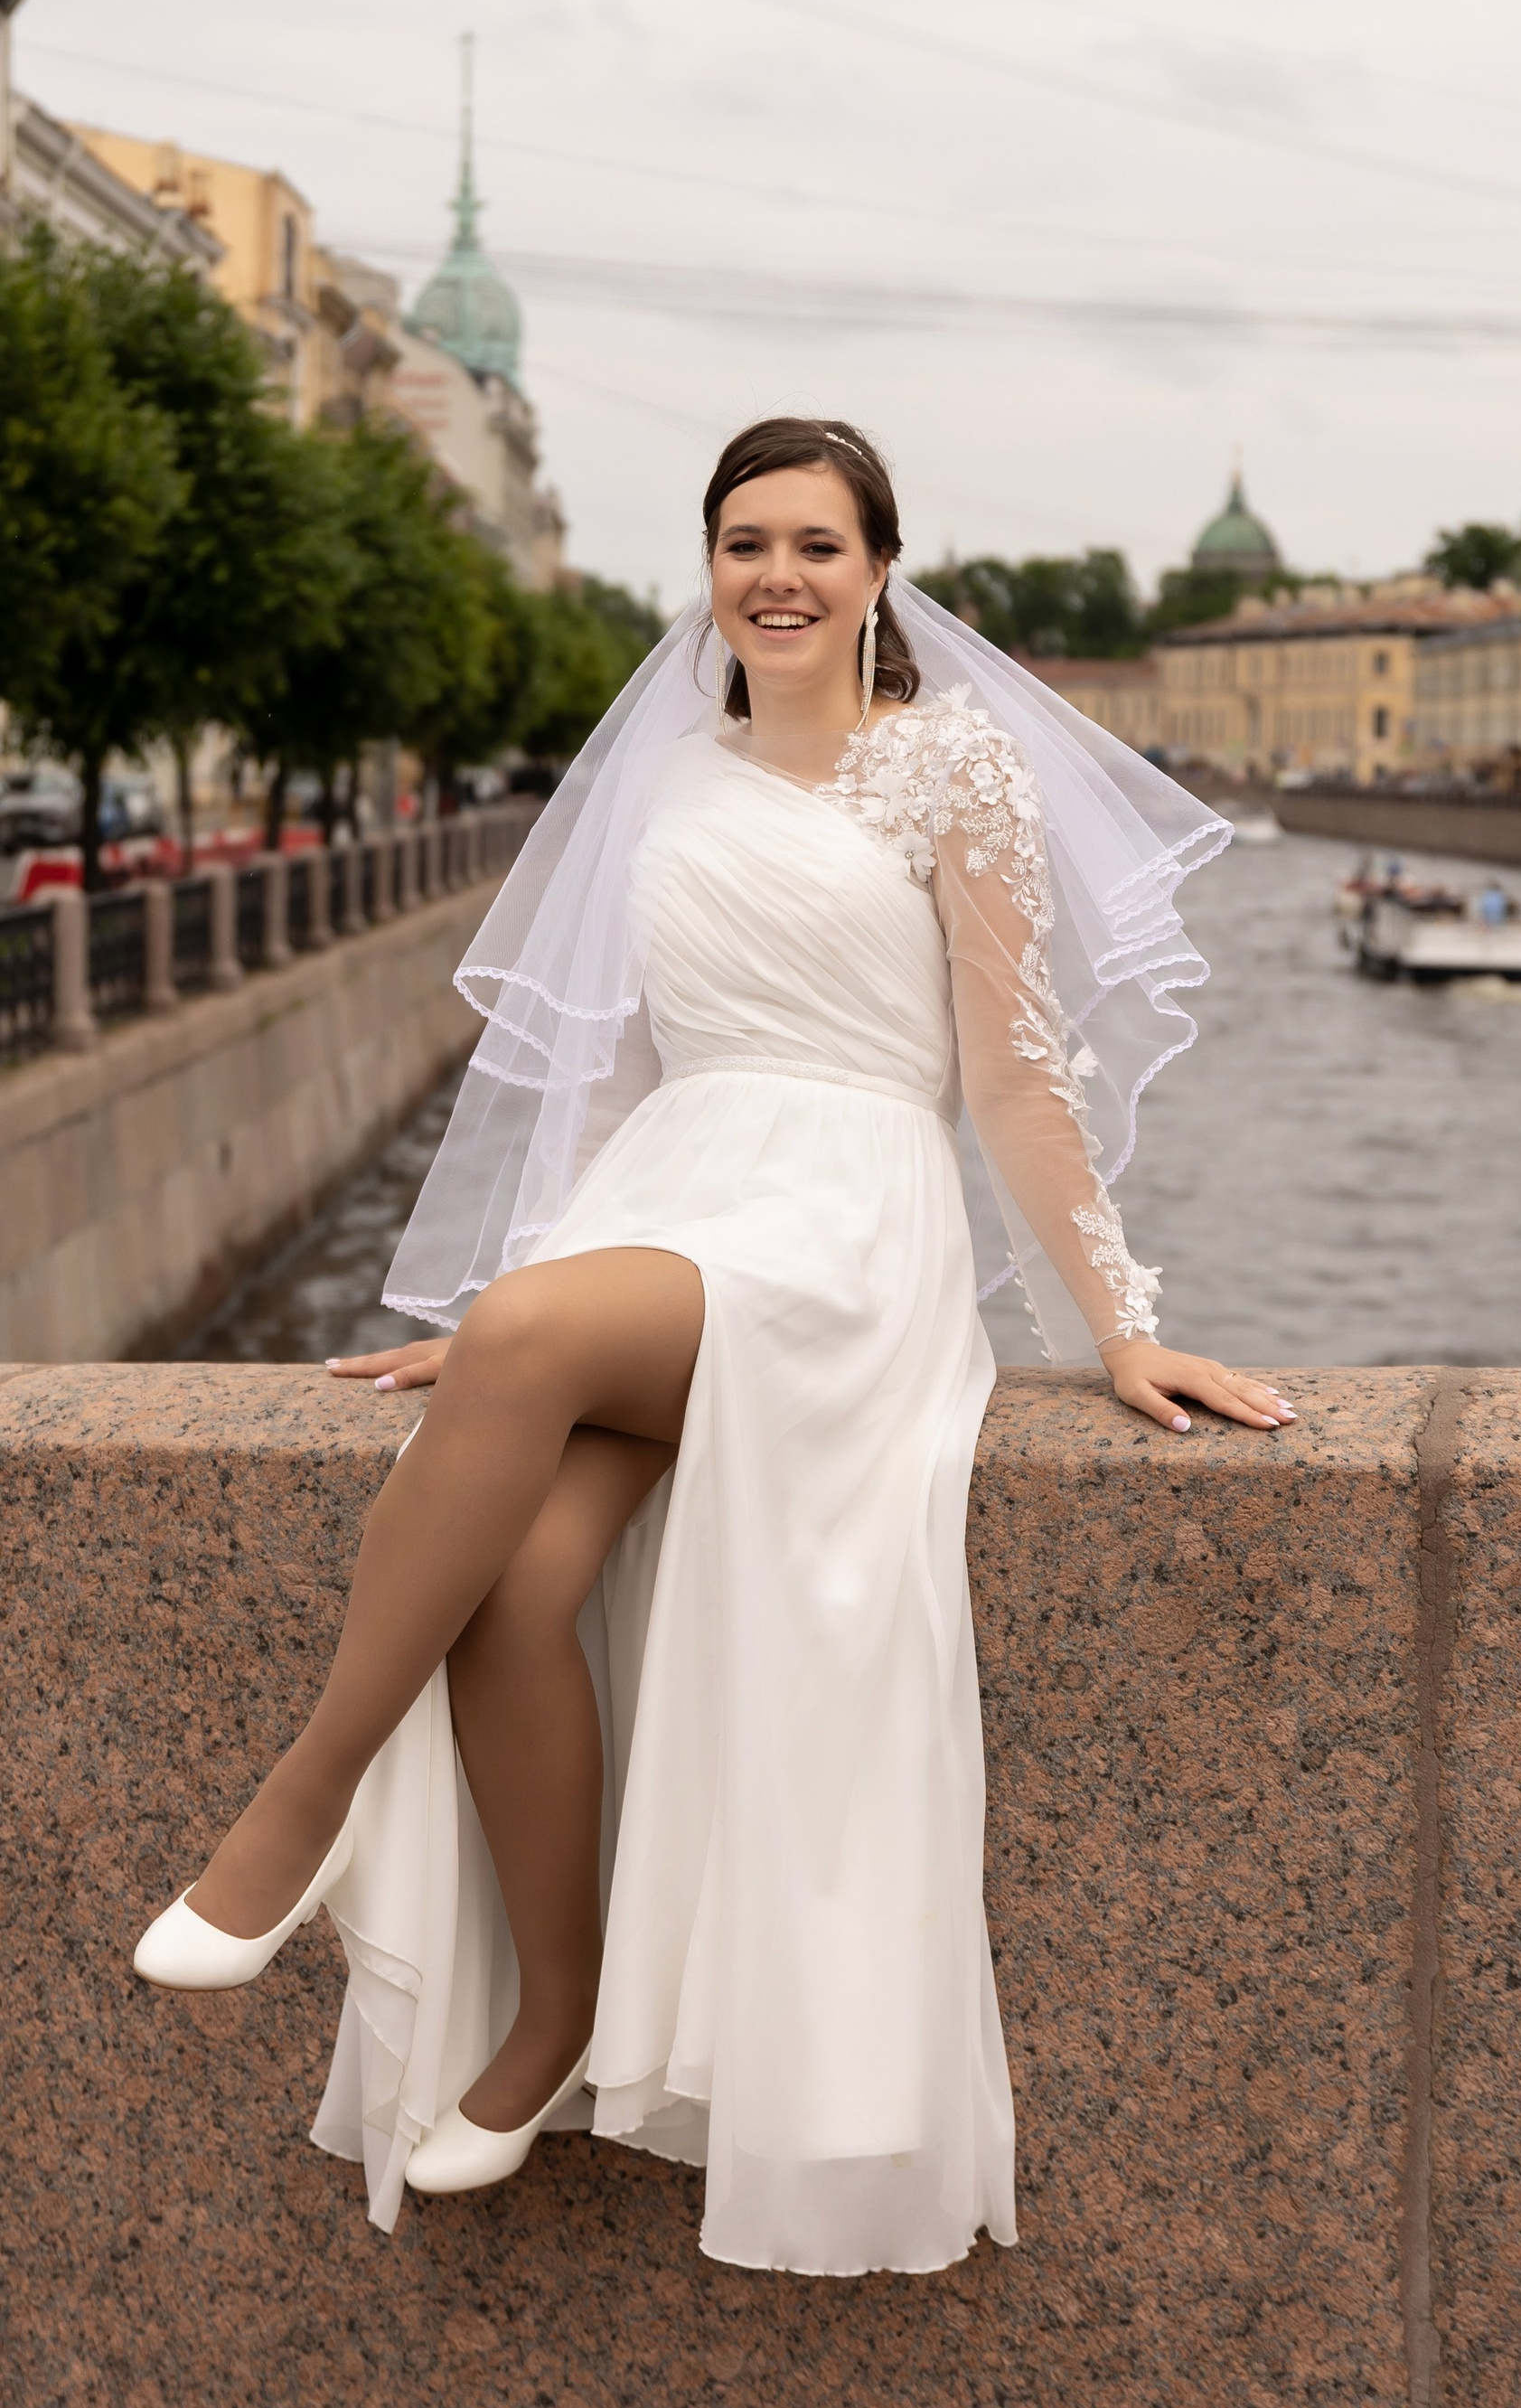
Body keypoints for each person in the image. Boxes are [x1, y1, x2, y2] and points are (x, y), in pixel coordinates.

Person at [134, 418, 1291, 2277]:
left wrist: (1124, 1326)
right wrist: (523, 1313)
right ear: (707, 565)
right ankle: (552, 2019)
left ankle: (299, 1803)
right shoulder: (663, 776)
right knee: (515, 1590)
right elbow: (606, 1072)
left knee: (521, 1359)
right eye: (743, 540)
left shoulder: (951, 770)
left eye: (815, 545)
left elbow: (1009, 1071)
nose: (775, 573)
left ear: (876, 572)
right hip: (672, 1200)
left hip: (844, 1224)